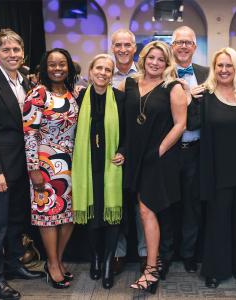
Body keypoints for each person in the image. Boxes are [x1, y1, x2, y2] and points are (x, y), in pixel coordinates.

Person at [118, 40, 187, 293]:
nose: (155, 63)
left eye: (161, 59)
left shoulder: (174, 87)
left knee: (147, 210)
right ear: (144, 58)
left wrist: (158, 151)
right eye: (152, 58)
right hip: (135, 157)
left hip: (160, 157)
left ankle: (150, 270)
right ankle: (153, 263)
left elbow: (180, 124)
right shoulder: (129, 83)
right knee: (144, 209)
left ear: (167, 63)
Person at [0, 28, 44, 300]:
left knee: (16, 222)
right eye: (6, 50)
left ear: (23, 53)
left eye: (16, 50)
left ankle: (13, 265)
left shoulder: (25, 81)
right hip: (1, 168)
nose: (12, 55)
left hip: (24, 166)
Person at [200, 47, 236, 288]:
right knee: (218, 222)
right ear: (214, 68)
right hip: (217, 170)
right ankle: (216, 270)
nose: (224, 70)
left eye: (229, 66)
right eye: (220, 66)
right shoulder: (205, 96)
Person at [23, 48, 78, 289]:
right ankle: (53, 264)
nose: (57, 68)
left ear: (69, 67)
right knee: (49, 217)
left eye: (62, 64)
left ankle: (57, 259)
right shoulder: (37, 94)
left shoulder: (71, 93)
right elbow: (29, 134)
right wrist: (33, 168)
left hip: (72, 163)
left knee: (69, 216)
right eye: (52, 64)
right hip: (45, 164)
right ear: (45, 67)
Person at [157, 25, 209, 278]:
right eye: (179, 42)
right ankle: (165, 256)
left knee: (192, 206)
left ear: (195, 47)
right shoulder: (161, 74)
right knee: (167, 205)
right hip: (169, 150)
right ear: (172, 45)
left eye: (189, 42)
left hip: (196, 151)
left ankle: (188, 254)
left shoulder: (206, 74)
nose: (184, 46)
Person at [72, 54, 125, 289]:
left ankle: (107, 264)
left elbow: (129, 132)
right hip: (87, 163)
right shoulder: (80, 96)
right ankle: (94, 257)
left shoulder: (121, 99)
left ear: (112, 74)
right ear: (90, 71)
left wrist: (124, 150)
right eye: (99, 68)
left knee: (112, 217)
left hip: (113, 164)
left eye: (108, 70)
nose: (103, 73)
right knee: (94, 216)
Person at [111, 28, 147, 275]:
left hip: (139, 149)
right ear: (112, 48)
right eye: (118, 45)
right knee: (116, 203)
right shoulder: (101, 73)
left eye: (127, 45)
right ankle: (118, 254)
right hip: (110, 150)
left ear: (135, 48)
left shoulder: (145, 76)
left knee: (141, 203)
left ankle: (146, 253)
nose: (123, 49)